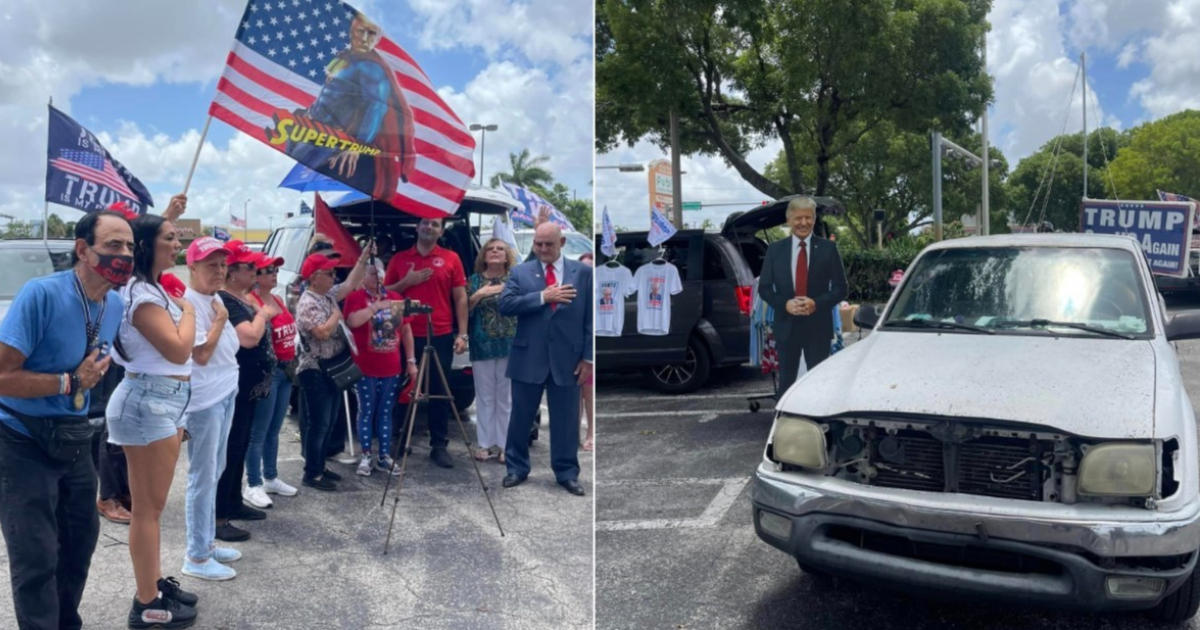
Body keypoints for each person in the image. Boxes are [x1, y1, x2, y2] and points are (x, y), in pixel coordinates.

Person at [0, 210, 130, 630]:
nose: (124, 254)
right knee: (36, 555)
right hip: (20, 440)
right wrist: (70, 381)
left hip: (74, 440)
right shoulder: (42, 295)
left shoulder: (114, 303)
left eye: (129, 246)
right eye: (113, 245)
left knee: (78, 545)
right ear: (82, 249)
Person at [108, 208, 202, 629]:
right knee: (147, 510)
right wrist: (192, 312)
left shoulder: (150, 289)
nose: (177, 243)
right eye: (169, 237)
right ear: (148, 246)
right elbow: (179, 351)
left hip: (163, 399)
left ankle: (151, 584)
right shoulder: (142, 295)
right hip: (150, 400)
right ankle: (146, 604)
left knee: (153, 507)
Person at [498, 223, 593, 496]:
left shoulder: (584, 274)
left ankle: (566, 472)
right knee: (520, 417)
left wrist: (588, 357)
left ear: (561, 242)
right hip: (529, 357)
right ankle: (516, 468)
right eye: (538, 244)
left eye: (548, 244)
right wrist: (542, 296)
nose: (542, 249)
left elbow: (589, 318)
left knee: (566, 421)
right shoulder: (520, 272)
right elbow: (505, 305)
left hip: (569, 359)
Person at [286, 11, 416, 199]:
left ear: (378, 38)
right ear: (351, 32)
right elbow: (329, 93)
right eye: (361, 31)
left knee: (311, 177)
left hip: (331, 139)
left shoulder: (371, 67)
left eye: (371, 33)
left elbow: (377, 107)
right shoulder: (344, 57)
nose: (364, 38)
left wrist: (357, 146)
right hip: (311, 129)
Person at [178, 237, 243, 580]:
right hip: (204, 400)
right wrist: (220, 321)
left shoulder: (213, 298)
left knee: (215, 470)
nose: (219, 271)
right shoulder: (187, 303)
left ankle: (206, 542)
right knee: (202, 477)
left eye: (222, 265)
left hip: (224, 391)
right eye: (211, 265)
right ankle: (196, 556)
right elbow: (200, 353)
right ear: (191, 267)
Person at [383, 217, 468, 469]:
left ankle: (439, 446)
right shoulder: (400, 259)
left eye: (434, 224)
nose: (429, 227)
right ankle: (396, 438)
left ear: (441, 230)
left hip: (439, 333)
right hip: (403, 333)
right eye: (424, 223)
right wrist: (407, 282)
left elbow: (461, 297)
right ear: (417, 227)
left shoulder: (451, 258)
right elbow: (386, 294)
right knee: (401, 388)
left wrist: (462, 333)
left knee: (440, 389)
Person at [213, 241, 279, 541]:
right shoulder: (227, 301)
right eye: (250, 267)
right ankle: (219, 516)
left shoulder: (244, 298)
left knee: (238, 447)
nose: (256, 271)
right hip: (235, 388)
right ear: (232, 272)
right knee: (230, 448)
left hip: (251, 388)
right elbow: (249, 338)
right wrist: (263, 314)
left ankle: (234, 503)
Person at [295, 246, 374, 491]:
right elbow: (322, 332)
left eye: (332, 273)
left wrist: (362, 259)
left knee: (329, 421)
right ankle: (312, 473)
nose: (333, 277)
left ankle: (320, 466)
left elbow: (350, 284)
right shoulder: (308, 302)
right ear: (314, 277)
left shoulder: (327, 295)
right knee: (318, 423)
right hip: (315, 369)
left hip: (331, 366)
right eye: (328, 274)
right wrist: (336, 316)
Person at [757, 196, 849, 395]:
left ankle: (819, 422)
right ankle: (786, 421)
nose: (804, 223)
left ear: (814, 220)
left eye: (808, 218)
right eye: (798, 218)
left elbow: (841, 289)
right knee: (787, 384)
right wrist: (784, 304)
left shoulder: (828, 249)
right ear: (789, 220)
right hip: (786, 327)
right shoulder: (774, 250)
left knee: (819, 381)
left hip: (818, 327)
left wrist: (816, 303)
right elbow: (764, 288)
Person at [344, 260, 416, 476]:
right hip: (365, 367)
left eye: (380, 273)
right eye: (372, 273)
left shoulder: (395, 298)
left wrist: (411, 361)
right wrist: (374, 307)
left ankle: (384, 456)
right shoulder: (355, 298)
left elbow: (406, 331)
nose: (378, 277)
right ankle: (366, 454)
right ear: (363, 276)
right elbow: (352, 322)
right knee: (366, 410)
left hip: (391, 366)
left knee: (386, 412)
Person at [245, 253, 300, 504]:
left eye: (275, 270)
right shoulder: (252, 301)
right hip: (269, 372)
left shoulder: (276, 298)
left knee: (274, 429)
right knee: (259, 431)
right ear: (255, 275)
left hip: (286, 369)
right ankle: (253, 482)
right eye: (268, 270)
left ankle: (270, 476)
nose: (274, 274)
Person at [465, 238, 518, 463]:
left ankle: (506, 445)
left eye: (500, 249)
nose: (495, 252)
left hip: (510, 343)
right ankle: (485, 444)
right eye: (491, 249)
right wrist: (480, 294)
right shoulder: (474, 280)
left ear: (507, 256)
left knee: (506, 397)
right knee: (485, 395)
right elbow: (463, 308)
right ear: (484, 255)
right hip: (482, 343)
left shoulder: (515, 279)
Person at [577, 252, 595, 453]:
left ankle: (591, 433)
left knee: (589, 394)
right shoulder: (574, 289)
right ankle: (575, 434)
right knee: (575, 397)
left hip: (590, 350)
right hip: (575, 351)